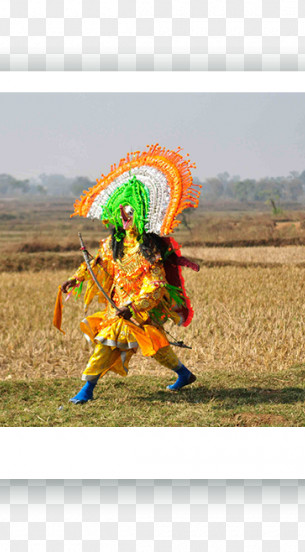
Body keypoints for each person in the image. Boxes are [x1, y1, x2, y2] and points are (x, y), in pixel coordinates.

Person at [52, 144, 201, 404]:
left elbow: (156, 284)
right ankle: (184, 374)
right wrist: (76, 279)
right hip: (118, 305)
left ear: (140, 214)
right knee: (142, 344)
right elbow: (98, 265)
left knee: (127, 343)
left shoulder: (149, 247)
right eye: (121, 213)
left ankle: (87, 391)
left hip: (142, 306)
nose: (125, 218)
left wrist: (133, 306)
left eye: (130, 213)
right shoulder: (113, 244)